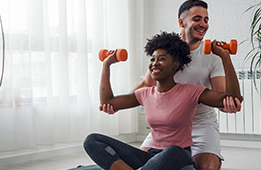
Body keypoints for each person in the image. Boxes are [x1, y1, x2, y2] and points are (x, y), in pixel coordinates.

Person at [100, 0, 242, 169]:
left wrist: (228, 103)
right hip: (166, 124)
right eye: (197, 19)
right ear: (182, 22)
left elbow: (222, 95)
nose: (203, 24)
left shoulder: (212, 57)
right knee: (148, 163)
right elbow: (145, 85)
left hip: (201, 123)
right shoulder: (164, 51)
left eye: (206, 20)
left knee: (207, 167)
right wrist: (117, 104)